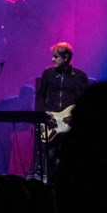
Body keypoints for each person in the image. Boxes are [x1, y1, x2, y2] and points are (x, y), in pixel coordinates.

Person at [34, 42, 90, 181]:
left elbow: (86, 100)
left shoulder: (79, 76)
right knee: (51, 156)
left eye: (56, 56)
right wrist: (43, 113)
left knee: (69, 157)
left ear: (66, 57)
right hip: (51, 121)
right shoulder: (48, 73)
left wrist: (76, 116)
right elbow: (40, 96)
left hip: (70, 124)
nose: (52, 59)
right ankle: (52, 187)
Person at [0, 84, 36, 175]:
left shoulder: (28, 108)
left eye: (33, 95)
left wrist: (19, 126)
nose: (32, 98)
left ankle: (0, 175)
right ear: (23, 95)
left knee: (3, 154)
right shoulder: (7, 102)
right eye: (31, 95)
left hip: (3, 135)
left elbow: (26, 125)